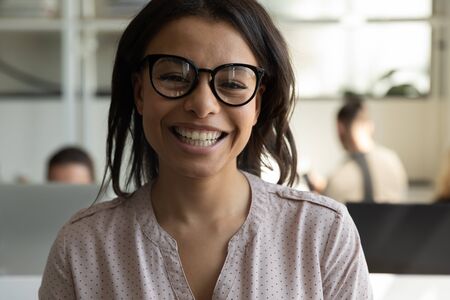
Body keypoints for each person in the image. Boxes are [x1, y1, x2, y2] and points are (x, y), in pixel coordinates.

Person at [39, 1, 372, 299]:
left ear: (257, 103)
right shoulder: (82, 248)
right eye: (173, 77)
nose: (202, 104)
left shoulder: (321, 234)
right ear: (140, 92)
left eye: (232, 84)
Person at [310, 95, 408, 203]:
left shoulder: (339, 178)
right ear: (371, 125)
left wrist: (321, 190)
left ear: (340, 128)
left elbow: (328, 209)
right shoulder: (393, 161)